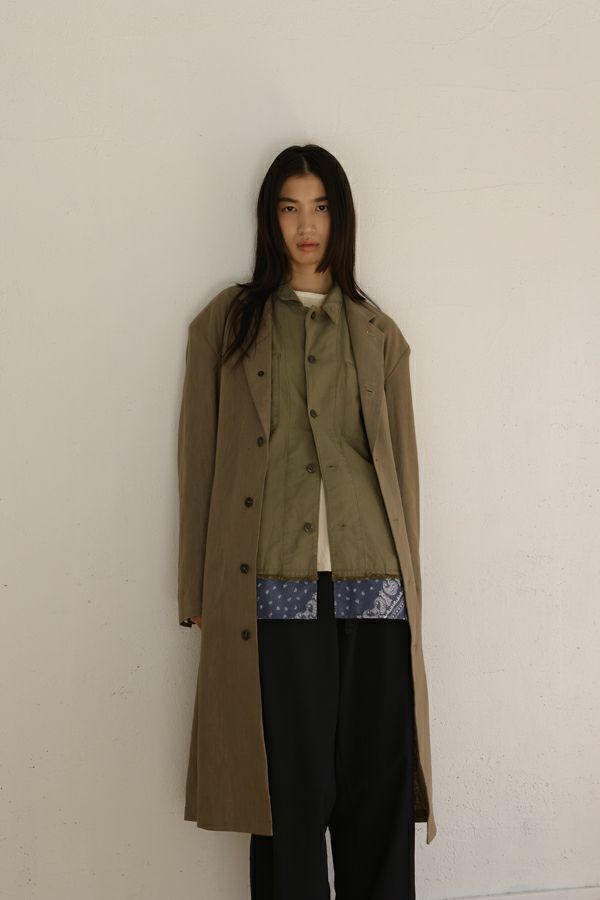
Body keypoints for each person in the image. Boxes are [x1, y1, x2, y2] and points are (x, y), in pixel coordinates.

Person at [177, 143, 435, 899]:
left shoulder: (377, 332)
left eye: (320, 207)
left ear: (341, 218)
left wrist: (413, 589)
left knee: (378, 790)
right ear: (270, 219)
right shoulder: (228, 324)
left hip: (375, 585)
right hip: (273, 587)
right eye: (290, 208)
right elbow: (199, 463)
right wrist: (197, 590)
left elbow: (404, 475)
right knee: (286, 794)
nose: (306, 225)